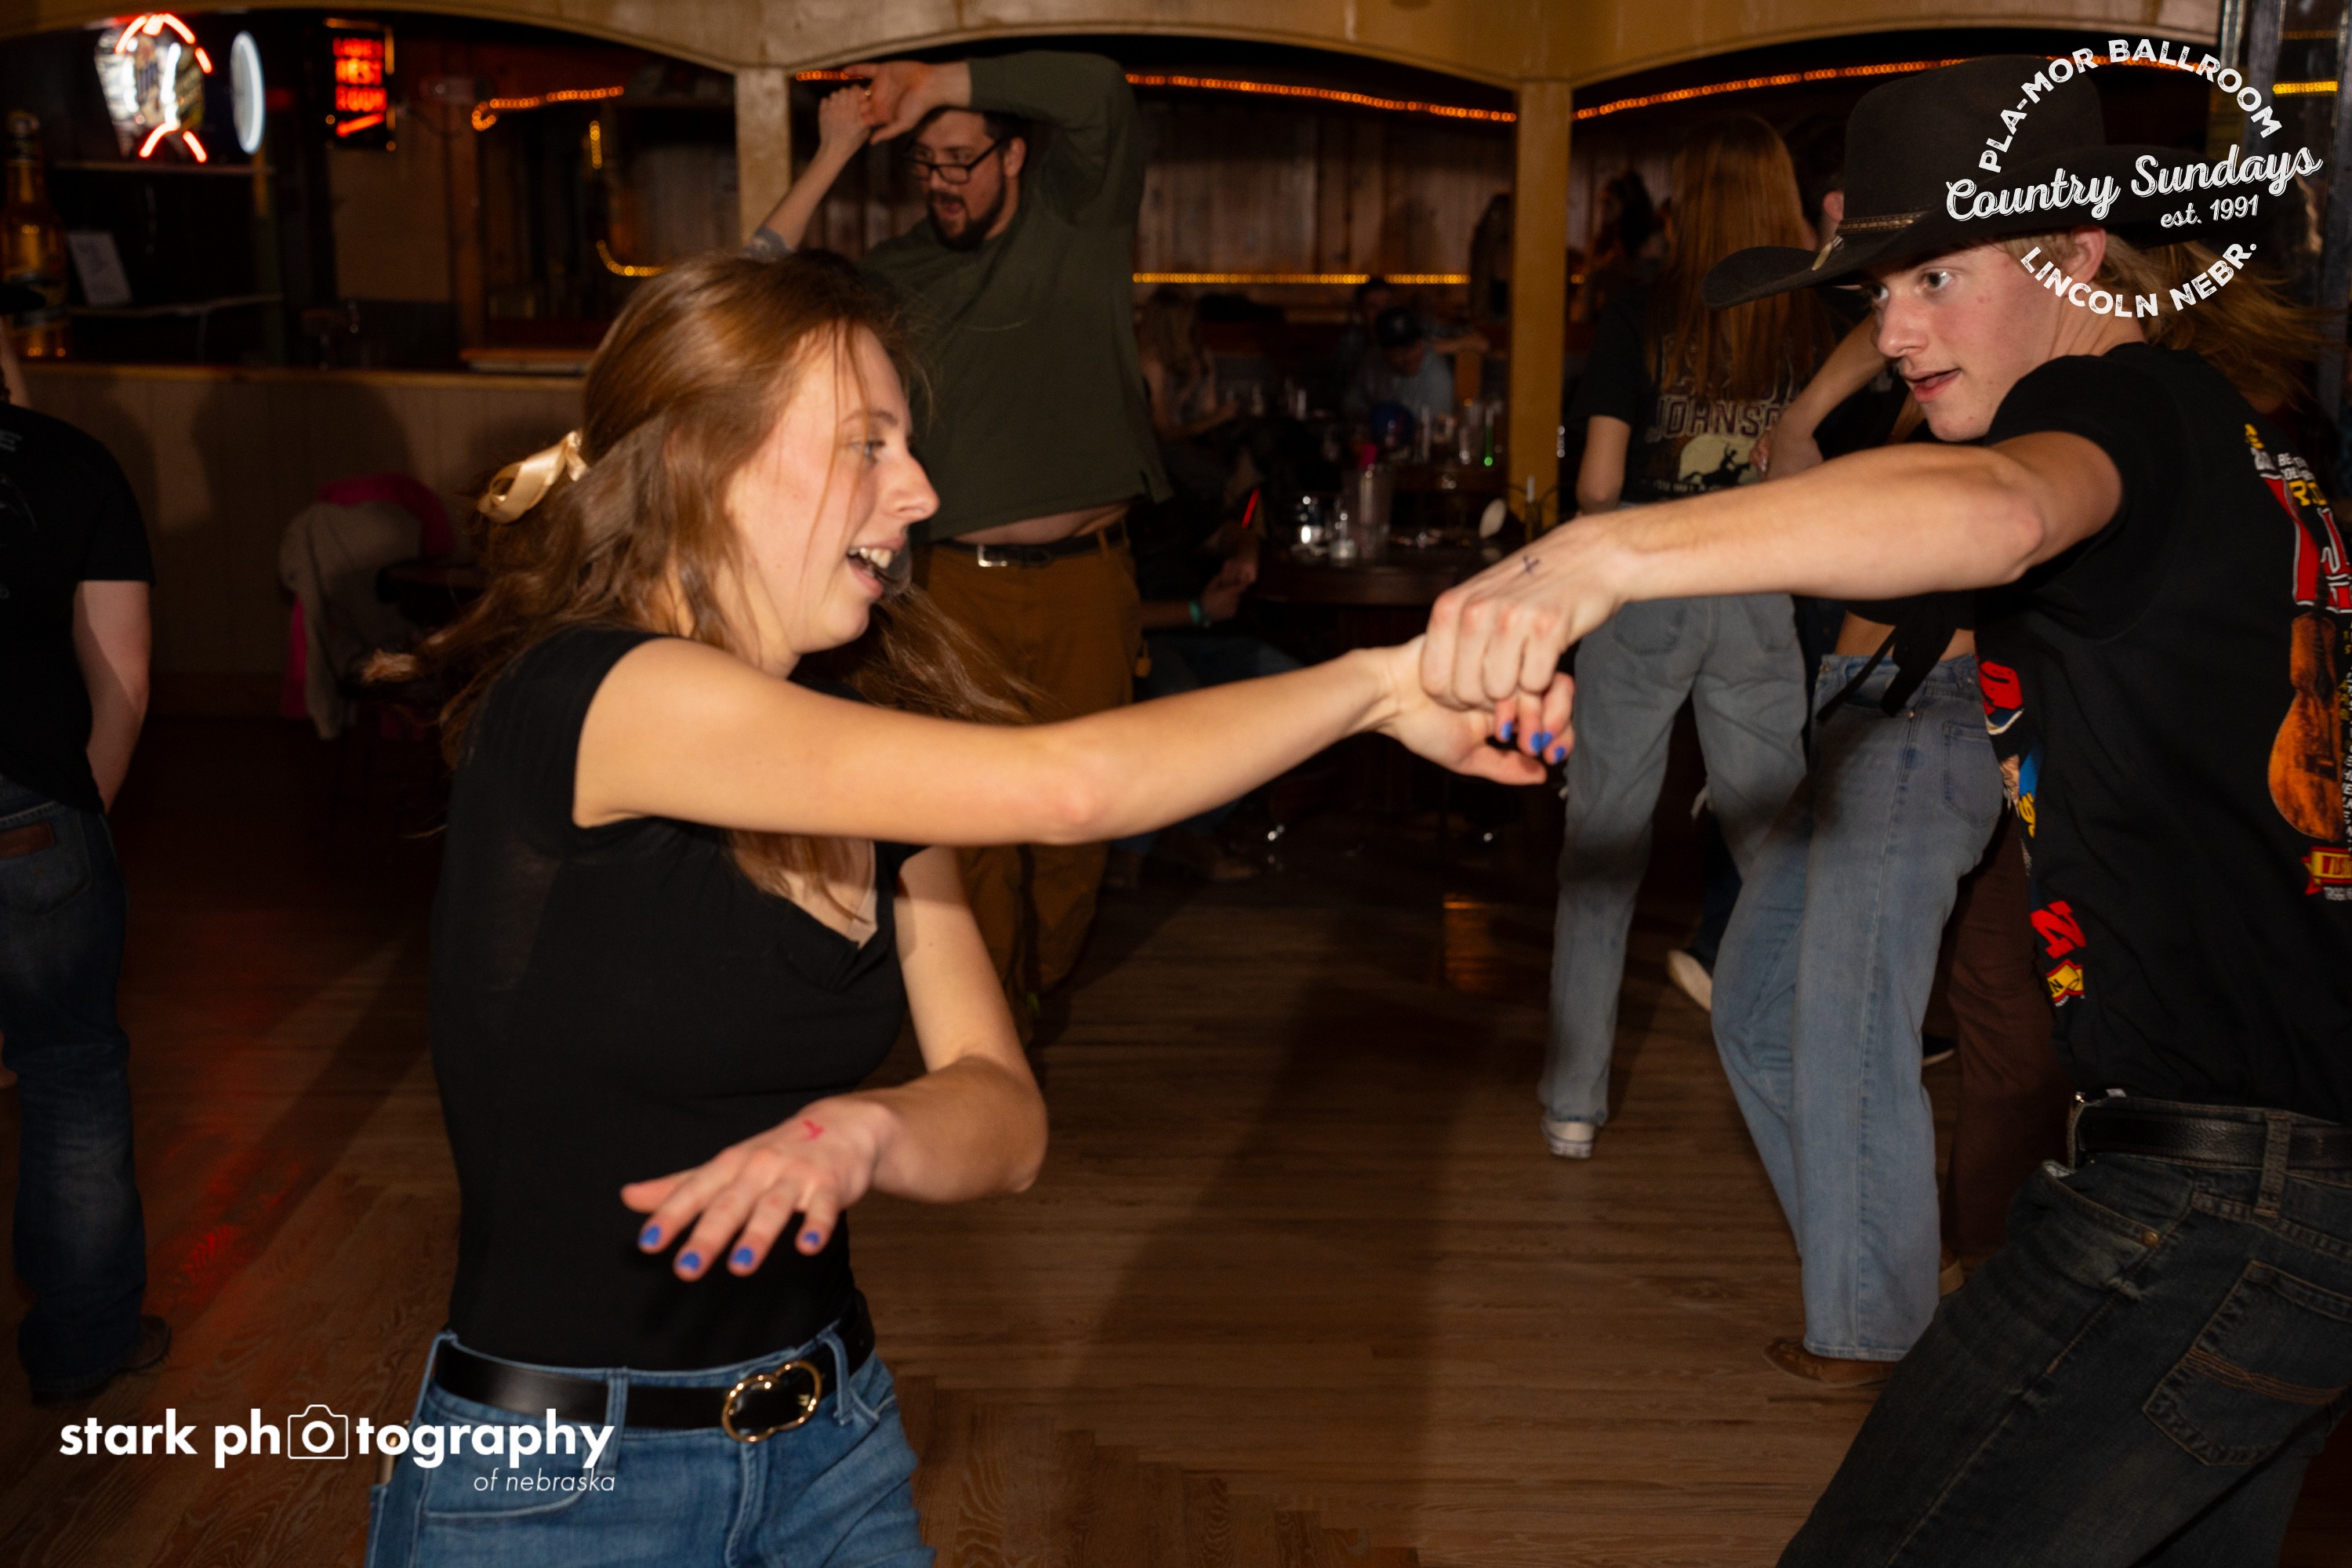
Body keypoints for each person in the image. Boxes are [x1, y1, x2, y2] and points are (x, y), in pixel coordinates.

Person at [361, 250, 1559, 1565]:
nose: (921, 490)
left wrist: (864, 1136)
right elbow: (1070, 788)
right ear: (706, 459)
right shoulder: (596, 695)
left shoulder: (858, 737)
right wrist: (1383, 689)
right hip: (560, 1486)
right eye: (867, 443)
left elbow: (1004, 1112)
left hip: (830, 1447)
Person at [1424, 56, 2350, 1563]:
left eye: (1936, 279)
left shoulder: (2113, 406)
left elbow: (2003, 512)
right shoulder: (2229, 434)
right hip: (2287, 1205)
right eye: (1878, 289)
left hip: (2206, 1213)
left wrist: (1611, 552)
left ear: (2076, 254)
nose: (1897, 329)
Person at [756, 53, 1166, 1038]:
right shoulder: (897, 275)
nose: (942, 182)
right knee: (970, 824)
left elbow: (1101, 93)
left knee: (1082, 820)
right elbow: (753, 284)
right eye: (926, 166)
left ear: (1013, 155)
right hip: (953, 588)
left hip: (1084, 583)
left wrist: (934, 83)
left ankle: (1032, 990)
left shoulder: (1082, 222)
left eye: (961, 161)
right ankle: (997, 1027)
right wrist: (835, 152)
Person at [1708, 339, 2005, 1384]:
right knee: (1753, 1011)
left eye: (1927, 284)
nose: (1895, 320)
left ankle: (1879, 1328)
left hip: (1926, 723)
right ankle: (1894, 1279)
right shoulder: (1920, 396)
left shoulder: (2007, 410)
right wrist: (1813, 409)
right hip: (1858, 717)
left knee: (1852, 1035)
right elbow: (1804, 436)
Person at [1536, 114, 1825, 1161]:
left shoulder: (1640, 312)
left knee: (1603, 847)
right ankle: (1810, 1075)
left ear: (1686, 202)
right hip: (1755, 581)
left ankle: (1574, 1103)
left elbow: (1598, 485)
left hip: (1647, 580)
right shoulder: (1815, 321)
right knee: (1777, 849)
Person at [0, 300, 165, 1406]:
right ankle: (83, 1342)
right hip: (28, 813)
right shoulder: (71, 464)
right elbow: (123, 682)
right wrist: (77, 823)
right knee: (68, 1073)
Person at [1343, 306, 1457, 423]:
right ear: (1382, 351)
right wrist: (1374, 417)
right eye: (1398, 352)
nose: (1408, 358)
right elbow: (1351, 404)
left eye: (1413, 346)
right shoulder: (1372, 361)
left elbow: (1433, 425)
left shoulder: (1436, 374)